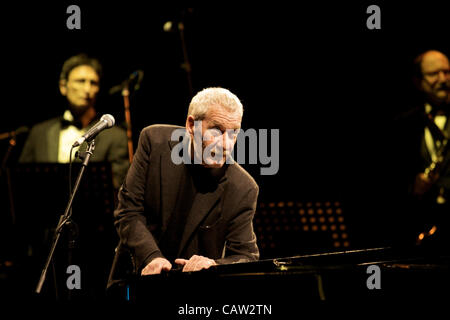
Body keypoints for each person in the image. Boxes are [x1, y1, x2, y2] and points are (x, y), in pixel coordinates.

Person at [107, 87, 259, 289]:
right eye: (217, 131)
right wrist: (152, 257)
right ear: (191, 125)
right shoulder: (154, 141)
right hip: (133, 278)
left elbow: (246, 256)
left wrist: (213, 264)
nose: (226, 144)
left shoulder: (243, 187)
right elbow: (127, 211)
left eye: (233, 134)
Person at [19, 53, 129, 189]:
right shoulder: (39, 133)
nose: (87, 89)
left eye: (93, 83)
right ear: (63, 86)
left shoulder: (116, 137)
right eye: (81, 81)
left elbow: (118, 188)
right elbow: (20, 181)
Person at [393, 49, 450, 248]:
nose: (443, 79)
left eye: (447, 72)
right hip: (421, 224)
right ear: (418, 81)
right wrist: (412, 185)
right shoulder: (404, 124)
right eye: (434, 74)